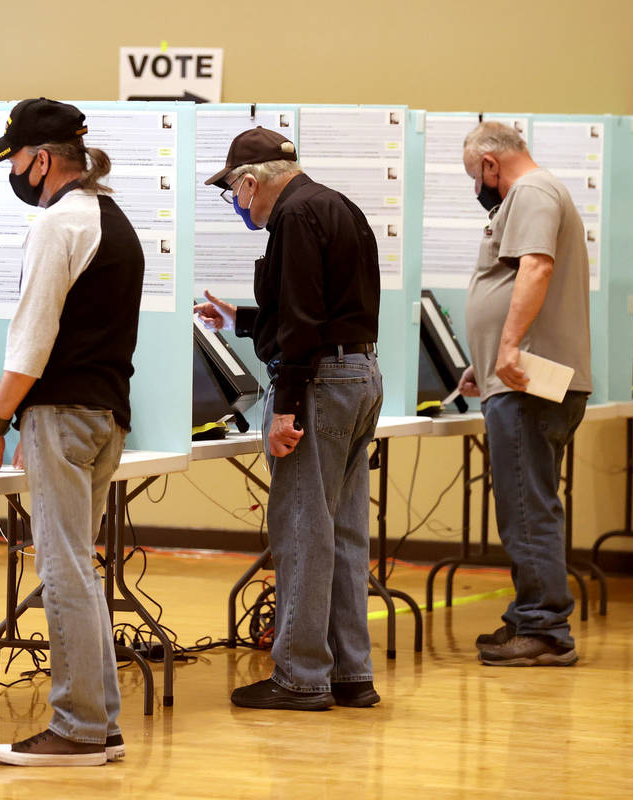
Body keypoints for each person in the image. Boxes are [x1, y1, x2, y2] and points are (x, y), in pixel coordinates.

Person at [0, 98, 144, 766]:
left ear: (42, 159)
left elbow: (31, 342)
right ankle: (102, 722)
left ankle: (76, 728)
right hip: (105, 417)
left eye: (15, 157)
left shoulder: (57, 225)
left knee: (62, 569)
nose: (13, 170)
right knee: (81, 568)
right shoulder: (112, 219)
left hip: (61, 417)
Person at [196, 127, 383, 710]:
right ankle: (351, 674)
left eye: (233, 193)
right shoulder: (337, 205)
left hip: (318, 384)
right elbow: (330, 307)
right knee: (345, 532)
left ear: (250, 182)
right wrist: (247, 318)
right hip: (361, 375)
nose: (237, 205)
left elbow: (303, 323)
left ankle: (301, 676)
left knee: (303, 530)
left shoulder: (294, 218)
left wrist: (284, 408)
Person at [456, 121, 592, 666]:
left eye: (475, 176)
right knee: (528, 500)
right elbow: (515, 283)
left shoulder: (531, 192)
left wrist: (507, 351)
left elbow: (535, 269)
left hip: (528, 380)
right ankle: (527, 615)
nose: (479, 188)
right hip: (521, 375)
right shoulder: (542, 192)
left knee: (526, 505)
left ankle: (544, 630)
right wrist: (485, 361)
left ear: (491, 163)